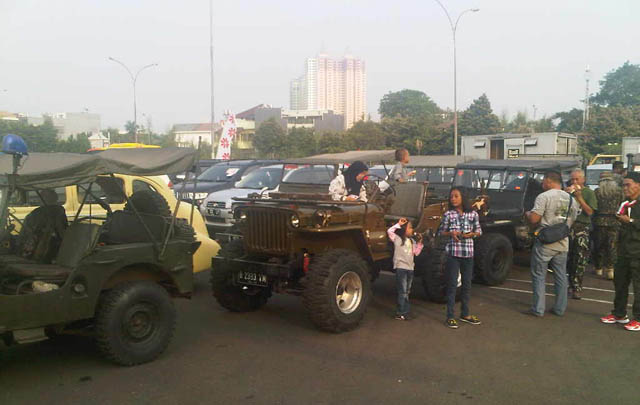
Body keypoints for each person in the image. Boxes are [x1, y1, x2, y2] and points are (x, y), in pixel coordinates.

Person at [525, 171, 578, 317]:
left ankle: (538, 309)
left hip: (545, 243)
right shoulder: (571, 199)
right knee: (561, 276)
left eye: (543, 181)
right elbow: (573, 220)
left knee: (539, 275)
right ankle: (560, 309)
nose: (542, 184)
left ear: (549, 181)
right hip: (562, 242)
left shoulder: (544, 197)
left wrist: (528, 213)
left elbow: (535, 219)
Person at [437, 187, 482, 329]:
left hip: (468, 254)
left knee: (467, 285)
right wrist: (451, 233)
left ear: (463, 197)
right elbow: (441, 232)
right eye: (451, 197)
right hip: (453, 254)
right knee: (452, 285)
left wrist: (471, 234)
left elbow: (479, 230)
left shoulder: (473, 214)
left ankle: (465, 314)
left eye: (456, 196)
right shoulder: (448, 214)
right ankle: (450, 316)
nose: (453, 199)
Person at [600, 172, 640, 331]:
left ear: (638, 185)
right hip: (624, 250)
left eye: (628, 184)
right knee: (620, 283)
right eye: (623, 185)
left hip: (638, 251)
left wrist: (630, 221)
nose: (625, 188)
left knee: (638, 286)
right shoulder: (626, 203)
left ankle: (638, 318)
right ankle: (619, 313)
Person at [566, 169, 597, 299]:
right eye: (572, 179)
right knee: (567, 257)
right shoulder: (567, 192)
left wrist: (579, 197)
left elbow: (590, 212)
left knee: (580, 258)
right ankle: (567, 284)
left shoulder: (588, 193)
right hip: (568, 227)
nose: (574, 182)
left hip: (582, 227)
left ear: (583, 180)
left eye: (577, 179)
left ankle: (576, 286)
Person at [387, 218, 424, 320]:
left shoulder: (412, 241)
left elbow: (416, 253)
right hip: (401, 268)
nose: (412, 230)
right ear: (404, 229)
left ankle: (405, 312)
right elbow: (389, 231)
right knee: (402, 291)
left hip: (410, 269)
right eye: (410, 227)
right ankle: (400, 313)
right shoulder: (397, 239)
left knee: (407, 291)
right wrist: (398, 224)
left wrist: (420, 243)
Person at [593, 172, 624, 280]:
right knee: (612, 246)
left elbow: (594, 207)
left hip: (599, 221)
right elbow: (622, 204)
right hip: (615, 221)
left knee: (599, 245)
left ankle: (599, 268)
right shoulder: (619, 192)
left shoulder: (597, 192)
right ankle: (611, 269)